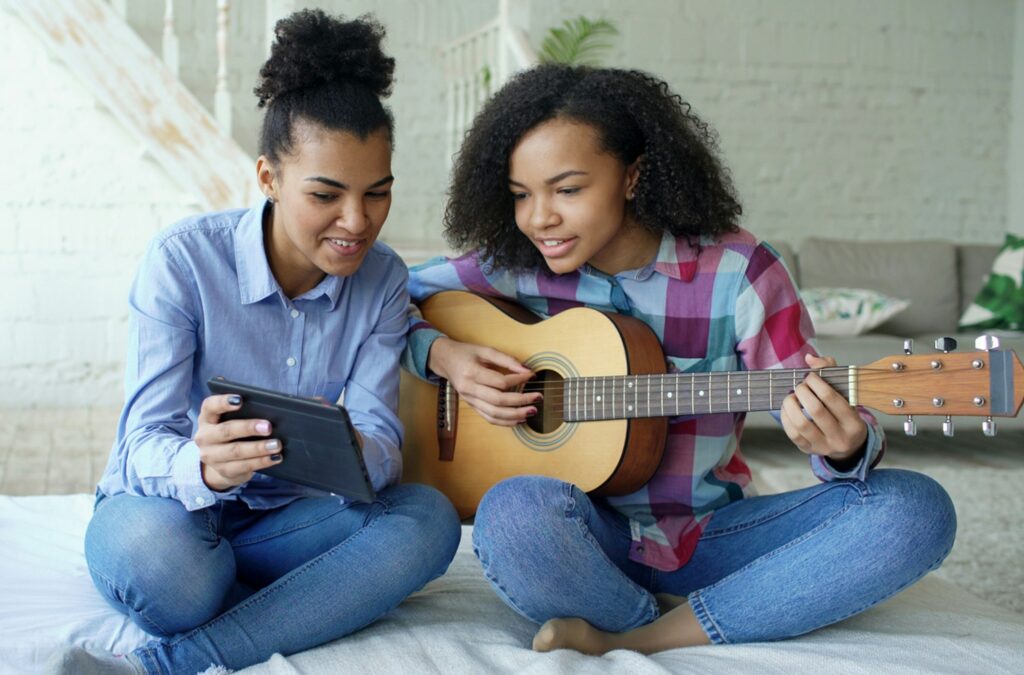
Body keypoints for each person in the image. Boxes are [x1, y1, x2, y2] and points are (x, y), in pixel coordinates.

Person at [402, 64, 956, 654]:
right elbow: (387, 294)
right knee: (510, 512)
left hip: (710, 536)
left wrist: (842, 445)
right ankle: (692, 614)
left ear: (633, 176)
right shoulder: (512, 264)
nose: (540, 217)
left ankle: (648, 635)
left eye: (567, 189)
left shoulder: (740, 271)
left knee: (916, 509)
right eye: (520, 195)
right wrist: (445, 355)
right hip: (587, 538)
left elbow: (819, 395)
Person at [79, 10, 460, 674]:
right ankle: (303, 600)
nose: (356, 221)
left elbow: (381, 448)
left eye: (378, 194)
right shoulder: (182, 262)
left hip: (287, 526)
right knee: (161, 569)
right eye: (326, 194)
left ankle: (183, 656)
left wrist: (340, 446)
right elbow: (141, 442)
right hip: (170, 513)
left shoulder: (384, 279)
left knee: (428, 521)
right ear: (268, 178)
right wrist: (202, 464)